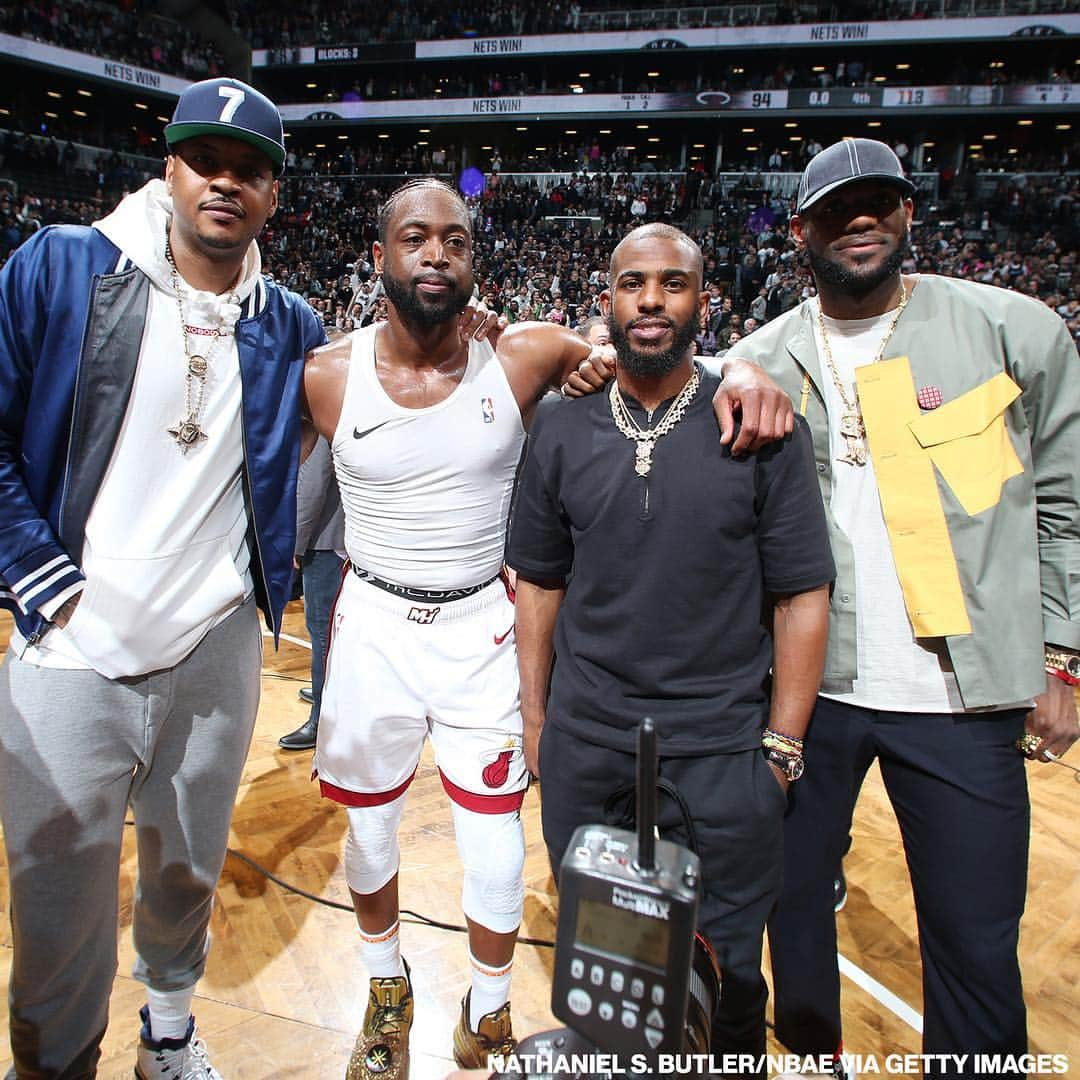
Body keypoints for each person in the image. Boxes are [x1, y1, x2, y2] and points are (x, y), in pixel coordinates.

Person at [301, 181, 793, 1080]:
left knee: (496, 842)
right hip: (370, 621)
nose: (437, 254)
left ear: (476, 260)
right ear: (380, 255)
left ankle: (488, 1012)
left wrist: (748, 372)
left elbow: (654, 351)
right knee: (369, 834)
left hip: (485, 619)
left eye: (456, 238)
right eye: (416, 237)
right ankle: (385, 991)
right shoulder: (325, 372)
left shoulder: (528, 353)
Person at [730, 138, 1080, 1076]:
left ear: (909, 215)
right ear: (798, 229)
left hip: (964, 703)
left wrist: (1062, 657)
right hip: (811, 696)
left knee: (974, 943)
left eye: (882, 201)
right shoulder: (757, 361)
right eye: (839, 207)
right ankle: (814, 1059)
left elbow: (1066, 506)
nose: (862, 220)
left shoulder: (1016, 332)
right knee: (790, 911)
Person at [0, 78, 326, 1078]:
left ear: (274, 196)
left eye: (250, 172)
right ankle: (57, 1063)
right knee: (58, 892)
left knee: (186, 866)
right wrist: (31, 571)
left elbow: (417, 353)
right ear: (169, 168)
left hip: (213, 639)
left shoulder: (291, 325)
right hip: (71, 638)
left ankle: (169, 1039)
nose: (226, 185)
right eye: (206, 163)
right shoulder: (60, 268)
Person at [506, 223, 835, 1068]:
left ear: (703, 300)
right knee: (605, 970)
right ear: (606, 299)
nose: (651, 301)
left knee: (723, 977)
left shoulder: (759, 425)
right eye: (632, 284)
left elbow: (802, 594)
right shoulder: (562, 424)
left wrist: (783, 748)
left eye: (672, 284)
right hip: (590, 741)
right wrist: (539, 721)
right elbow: (539, 581)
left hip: (723, 750)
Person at [279, 435, 346, 751]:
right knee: (327, 633)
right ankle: (324, 690)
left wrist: (294, 540)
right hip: (335, 537)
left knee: (323, 632)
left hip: (326, 539)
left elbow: (314, 479)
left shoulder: (322, 394)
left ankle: (322, 719)